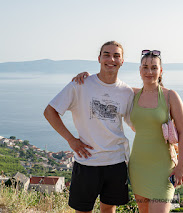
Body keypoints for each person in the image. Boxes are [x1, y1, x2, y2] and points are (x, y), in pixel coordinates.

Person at [74, 49, 183, 213]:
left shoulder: (170, 96)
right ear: (140, 70)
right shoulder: (131, 93)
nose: (149, 71)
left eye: (154, 68)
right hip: (138, 168)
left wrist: (181, 167)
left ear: (161, 71)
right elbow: (106, 84)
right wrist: (86, 78)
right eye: (145, 67)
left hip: (164, 168)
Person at [44, 41, 134, 213]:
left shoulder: (127, 92)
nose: (111, 59)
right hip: (87, 162)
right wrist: (71, 140)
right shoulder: (80, 85)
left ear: (122, 61)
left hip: (116, 162)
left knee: (109, 209)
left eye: (116, 55)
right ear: (99, 58)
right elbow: (50, 112)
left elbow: (135, 123)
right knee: (83, 211)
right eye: (106, 54)